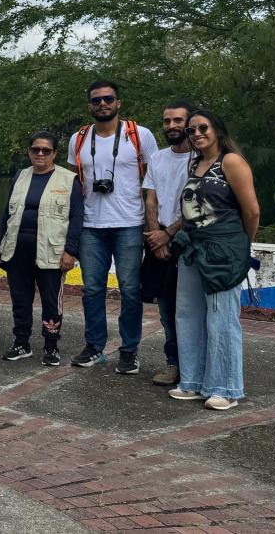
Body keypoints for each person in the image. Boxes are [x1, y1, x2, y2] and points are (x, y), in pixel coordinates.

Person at [167, 109, 258, 411]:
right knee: (188, 315)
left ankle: (226, 387)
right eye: (191, 130)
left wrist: (241, 246)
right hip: (193, 247)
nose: (196, 134)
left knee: (221, 318)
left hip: (223, 250)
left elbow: (252, 211)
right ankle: (192, 381)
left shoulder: (231, 162)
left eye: (202, 128)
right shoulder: (196, 164)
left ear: (217, 130)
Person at [66, 80, 157, 373]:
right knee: (92, 290)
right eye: (96, 100)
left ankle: (129, 350)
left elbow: (155, 182)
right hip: (91, 225)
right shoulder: (78, 139)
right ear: (89, 106)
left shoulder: (139, 135)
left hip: (130, 223)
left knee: (130, 290)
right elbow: (72, 184)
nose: (102, 104)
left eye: (108, 99)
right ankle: (94, 346)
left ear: (119, 102)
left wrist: (155, 224)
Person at [0, 131, 82, 366]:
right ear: (29, 152)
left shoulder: (68, 179)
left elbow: (76, 218)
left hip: (51, 250)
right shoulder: (20, 176)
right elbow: (7, 213)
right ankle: (21, 342)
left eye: (46, 150)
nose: (40, 154)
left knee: (51, 299)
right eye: (36, 149)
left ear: (54, 153)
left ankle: (51, 346)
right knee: (20, 298)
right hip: (17, 247)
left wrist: (70, 251)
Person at [142, 101, 195, 386]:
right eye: (166, 121)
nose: (172, 126)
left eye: (177, 120)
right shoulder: (158, 158)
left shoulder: (202, 158)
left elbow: (200, 204)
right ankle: (173, 363)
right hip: (158, 240)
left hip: (188, 241)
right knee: (165, 310)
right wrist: (155, 235)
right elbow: (150, 198)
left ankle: (194, 366)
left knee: (188, 309)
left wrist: (170, 233)